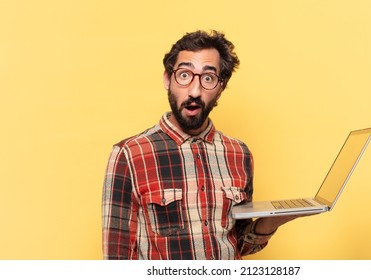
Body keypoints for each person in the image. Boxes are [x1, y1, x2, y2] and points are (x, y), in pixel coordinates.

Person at [102, 30, 308, 260]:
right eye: (184, 75)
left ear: (221, 89)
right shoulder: (130, 154)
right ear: (167, 79)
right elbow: (116, 258)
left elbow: (238, 243)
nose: (194, 91)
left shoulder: (239, 153)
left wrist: (271, 221)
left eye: (208, 78)